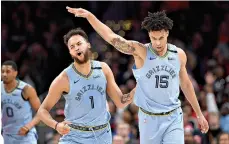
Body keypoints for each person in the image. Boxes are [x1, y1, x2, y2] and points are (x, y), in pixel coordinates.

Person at [66, 7, 209, 144]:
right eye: (154, 38)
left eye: (160, 38)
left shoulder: (178, 54)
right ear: (149, 35)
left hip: (173, 115)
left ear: (167, 33)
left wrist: (199, 114)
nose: (157, 43)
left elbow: (186, 84)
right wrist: (90, 16)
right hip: (149, 118)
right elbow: (111, 37)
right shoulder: (141, 51)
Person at [37, 28, 136, 144]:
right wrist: (56, 125)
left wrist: (140, 87)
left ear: (88, 45)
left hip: (102, 135)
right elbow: (42, 110)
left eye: (79, 43)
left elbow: (120, 102)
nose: (76, 48)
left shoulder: (103, 69)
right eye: (72, 46)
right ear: (70, 52)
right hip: (75, 137)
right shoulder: (64, 78)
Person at [1, 60, 41, 144]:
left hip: (26, 135)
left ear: (15, 73)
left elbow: (42, 112)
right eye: (2, 71)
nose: (4, 74)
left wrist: (29, 126)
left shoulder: (26, 89)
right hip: (6, 135)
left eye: (8, 72)